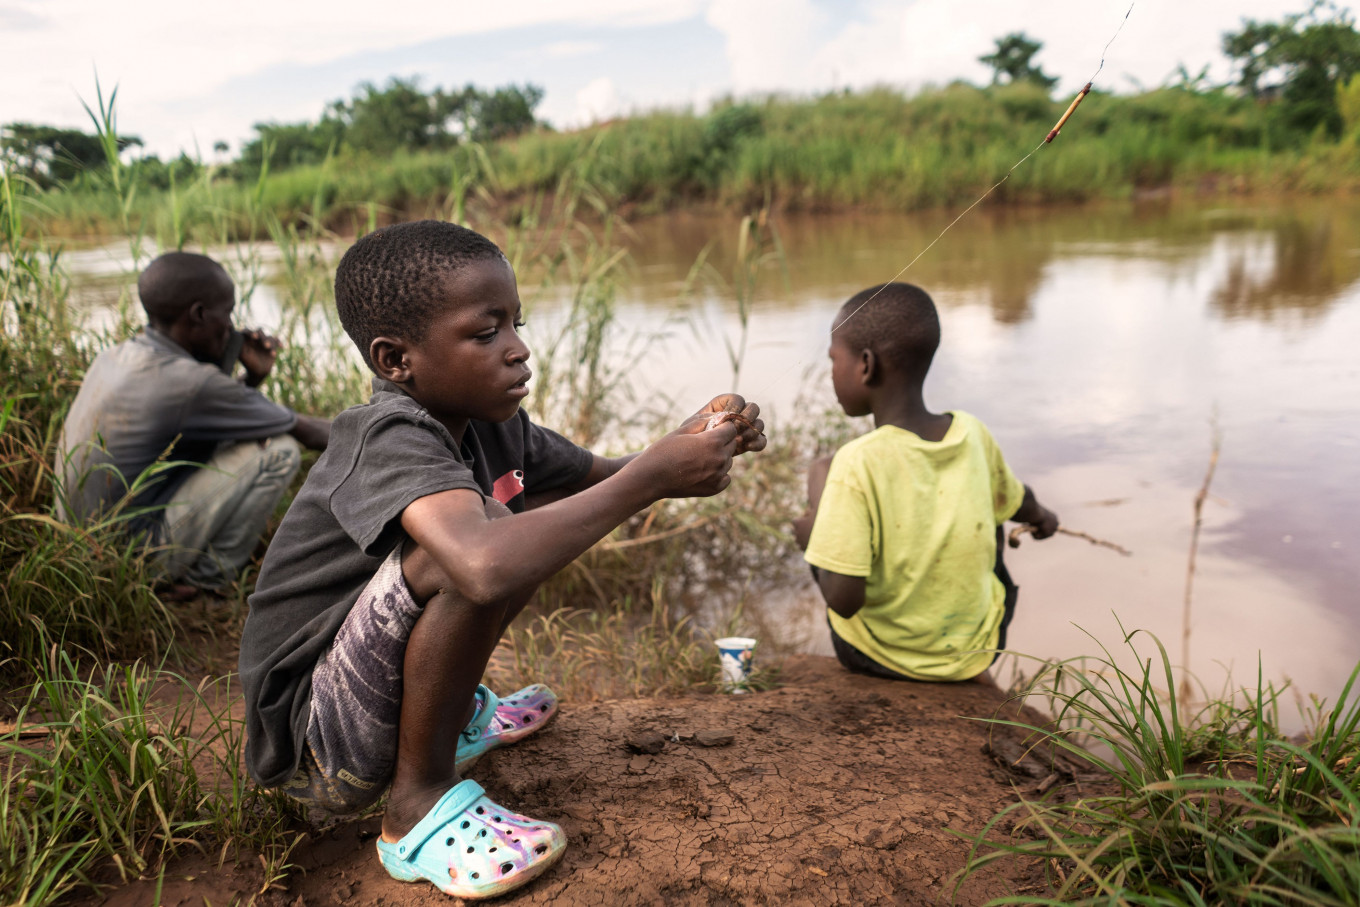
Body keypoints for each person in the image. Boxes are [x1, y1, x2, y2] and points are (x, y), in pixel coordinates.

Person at [238, 220, 765, 900]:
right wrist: (656, 477)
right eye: (486, 333)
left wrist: (692, 440)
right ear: (396, 359)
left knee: (518, 506)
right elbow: (481, 565)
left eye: (517, 324)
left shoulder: (492, 420)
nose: (518, 350)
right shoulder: (387, 432)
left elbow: (598, 479)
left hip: (367, 695)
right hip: (314, 740)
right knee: (478, 537)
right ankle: (416, 806)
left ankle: (449, 718)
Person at [791, 282, 1059, 683]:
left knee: (822, 473)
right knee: (990, 515)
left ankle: (824, 528)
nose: (831, 373)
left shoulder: (857, 463)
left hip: (880, 658)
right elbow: (1020, 501)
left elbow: (844, 602)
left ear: (866, 365)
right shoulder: (972, 433)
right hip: (978, 650)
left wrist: (815, 538)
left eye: (834, 360)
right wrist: (1043, 518)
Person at [55, 251, 331, 593]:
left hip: (78, 549)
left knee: (254, 440)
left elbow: (205, 419)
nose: (231, 326)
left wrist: (247, 374)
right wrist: (397, 432)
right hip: (127, 560)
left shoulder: (117, 356)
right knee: (280, 450)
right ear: (199, 314)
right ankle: (205, 583)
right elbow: (311, 433)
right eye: (227, 313)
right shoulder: (191, 382)